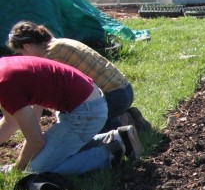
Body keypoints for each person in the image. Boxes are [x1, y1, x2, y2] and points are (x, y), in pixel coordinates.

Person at [0, 54, 142, 175]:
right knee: (49, 154)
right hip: (88, 104)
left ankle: (110, 153)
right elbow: (11, 120)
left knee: (34, 170)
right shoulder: (4, 68)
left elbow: (36, 142)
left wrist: (15, 169)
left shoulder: (5, 85)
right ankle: (116, 138)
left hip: (85, 113)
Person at [7, 21, 144, 133]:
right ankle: (124, 116)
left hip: (114, 97)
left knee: (81, 131)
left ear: (27, 46)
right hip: (124, 91)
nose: (22, 58)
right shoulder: (58, 44)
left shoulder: (51, 57)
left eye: (21, 53)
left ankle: (117, 125)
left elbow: (45, 99)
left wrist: (33, 130)